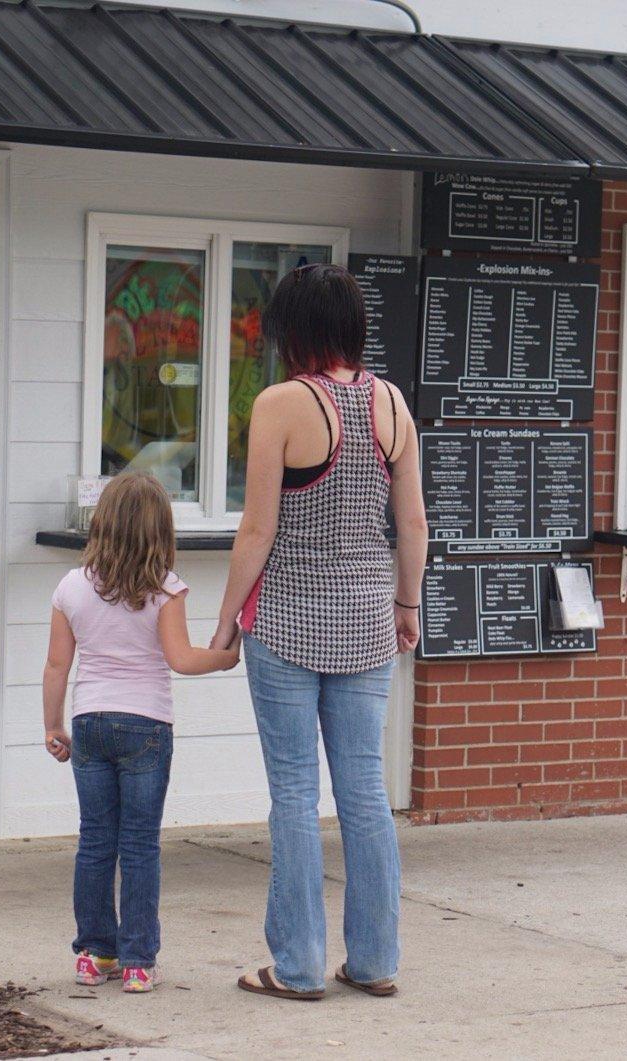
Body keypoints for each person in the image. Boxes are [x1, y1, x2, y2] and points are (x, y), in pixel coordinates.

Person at [212, 263, 428, 1001]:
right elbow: (414, 524)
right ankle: (375, 960)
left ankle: (299, 966)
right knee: (366, 791)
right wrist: (408, 604)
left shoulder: (280, 403)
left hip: (286, 622)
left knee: (295, 792)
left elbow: (257, 526)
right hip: (369, 620)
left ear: (291, 329)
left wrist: (226, 619)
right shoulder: (392, 404)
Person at [42, 471, 240, 994]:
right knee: (140, 846)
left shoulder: (70, 586)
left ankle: (92, 953)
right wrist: (225, 658)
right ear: (160, 530)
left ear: (102, 522)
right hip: (146, 726)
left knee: (95, 843)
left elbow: (57, 666)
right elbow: (180, 659)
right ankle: (136, 962)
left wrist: (52, 726)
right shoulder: (165, 589)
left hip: (89, 724)